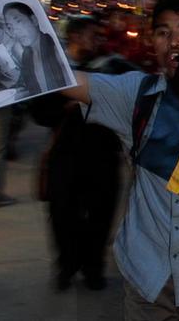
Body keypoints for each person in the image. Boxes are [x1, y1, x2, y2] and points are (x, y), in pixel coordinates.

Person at [59, 0, 179, 320]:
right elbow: (61, 79)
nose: (175, 42)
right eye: (163, 32)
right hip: (148, 275)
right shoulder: (136, 94)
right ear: (151, 41)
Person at [30, 17, 127, 291]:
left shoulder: (113, 67)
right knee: (62, 216)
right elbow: (39, 113)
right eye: (91, 35)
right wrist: (67, 106)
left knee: (100, 216)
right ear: (74, 37)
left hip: (103, 156)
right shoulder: (55, 71)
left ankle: (93, 269)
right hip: (65, 157)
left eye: (99, 36)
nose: (97, 41)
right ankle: (66, 266)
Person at [2, 1, 69, 96]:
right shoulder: (26, 55)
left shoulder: (57, 48)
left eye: (18, 21)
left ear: (34, 20)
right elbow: (27, 85)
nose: (15, 31)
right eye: (10, 27)